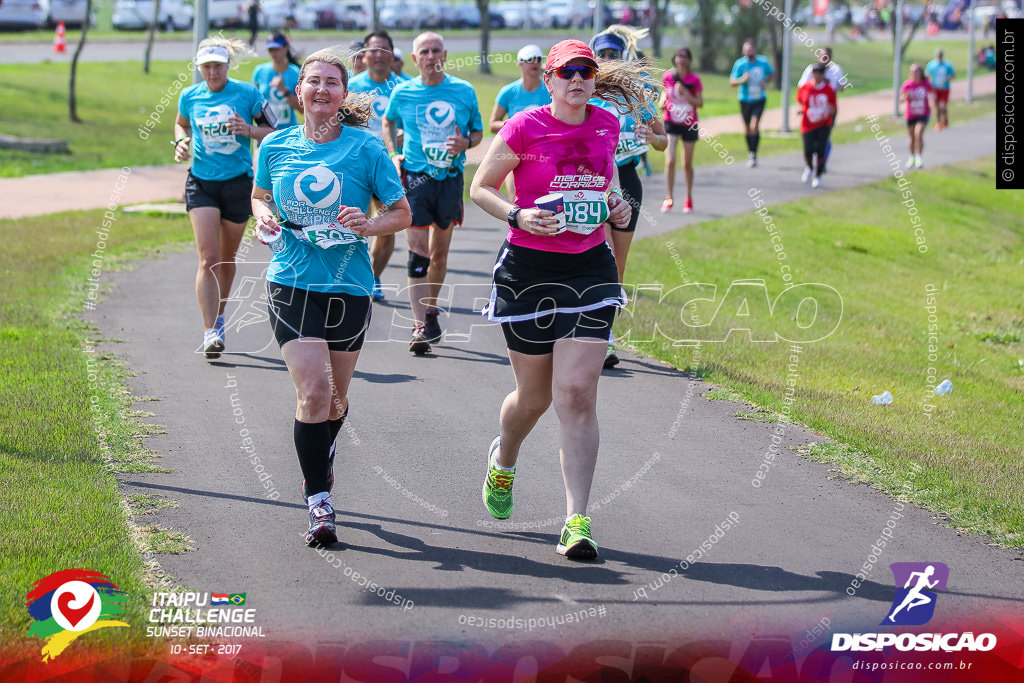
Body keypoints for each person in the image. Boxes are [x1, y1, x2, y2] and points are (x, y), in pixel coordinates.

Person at [470, 39, 653, 560]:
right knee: (534, 398)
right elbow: (480, 187)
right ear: (547, 80)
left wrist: (616, 205)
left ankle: (577, 521)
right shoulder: (524, 127)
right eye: (565, 72)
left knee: (575, 392)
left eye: (585, 71)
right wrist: (517, 215)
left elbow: (606, 179)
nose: (577, 79)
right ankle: (503, 459)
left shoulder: (605, 125)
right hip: (529, 269)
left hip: (589, 266)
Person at [251, 48, 412, 547]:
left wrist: (370, 223)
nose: (321, 90)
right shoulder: (275, 147)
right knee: (314, 393)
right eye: (312, 82)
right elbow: (260, 196)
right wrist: (262, 217)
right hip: (291, 280)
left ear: (344, 95)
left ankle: (319, 454)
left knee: (336, 400)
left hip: (348, 285)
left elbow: (401, 212)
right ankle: (319, 501)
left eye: (331, 83)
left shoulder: (366, 149)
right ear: (298, 91)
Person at [382, 31, 483, 355]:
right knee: (417, 252)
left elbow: (479, 131)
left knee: (439, 255)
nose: (430, 56)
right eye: (423, 51)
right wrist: (393, 153)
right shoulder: (404, 91)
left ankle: (430, 308)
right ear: (415, 59)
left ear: (445, 54)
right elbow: (387, 121)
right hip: (414, 180)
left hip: (449, 179)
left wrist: (466, 143)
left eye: (435, 50)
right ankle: (419, 324)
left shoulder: (463, 91)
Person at [174, 38, 274, 360]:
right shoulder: (190, 95)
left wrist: (248, 130)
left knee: (225, 260)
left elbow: (273, 131)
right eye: (207, 66)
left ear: (228, 65)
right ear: (199, 68)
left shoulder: (248, 94)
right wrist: (180, 142)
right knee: (207, 257)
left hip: (237, 184)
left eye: (218, 65)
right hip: (201, 183)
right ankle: (210, 331)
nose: (213, 72)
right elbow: (180, 124)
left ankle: (219, 316)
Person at [588, 27, 666, 368]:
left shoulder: (638, 96)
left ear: (622, 56)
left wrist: (652, 136)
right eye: (602, 53)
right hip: (595, 184)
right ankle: (599, 338)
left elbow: (663, 141)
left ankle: (605, 330)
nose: (607, 59)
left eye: (613, 53)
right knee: (601, 258)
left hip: (628, 180)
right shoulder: (584, 92)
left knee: (617, 267)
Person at [349, 30, 404, 303]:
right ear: (365, 55)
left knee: (385, 225)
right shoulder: (352, 86)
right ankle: (351, 275)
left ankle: (374, 276)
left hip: (388, 168)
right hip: (355, 167)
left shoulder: (404, 87)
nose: (378, 55)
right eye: (373, 49)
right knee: (352, 222)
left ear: (391, 55)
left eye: (384, 49)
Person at [489, 44, 551, 200]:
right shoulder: (508, 92)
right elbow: (493, 124)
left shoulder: (551, 90)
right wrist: (517, 125)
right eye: (529, 59)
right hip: (515, 154)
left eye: (538, 59)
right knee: (516, 202)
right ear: (520, 63)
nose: (535, 63)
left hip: (546, 153)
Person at [661, 46, 702, 214]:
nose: (681, 59)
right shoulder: (668, 77)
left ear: (689, 60)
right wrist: (662, 102)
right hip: (671, 122)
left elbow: (700, 103)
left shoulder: (694, 79)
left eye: (684, 56)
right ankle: (669, 197)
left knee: (687, 164)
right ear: (675, 59)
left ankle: (688, 198)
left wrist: (686, 94)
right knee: (670, 160)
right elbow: (664, 95)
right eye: (679, 56)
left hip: (689, 123)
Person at [729, 39, 774, 168]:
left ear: (755, 50)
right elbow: (732, 82)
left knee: (755, 125)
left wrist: (766, 82)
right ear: (743, 51)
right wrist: (742, 80)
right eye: (746, 50)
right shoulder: (740, 64)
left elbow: (771, 74)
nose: (749, 52)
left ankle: (754, 153)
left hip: (759, 99)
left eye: (751, 49)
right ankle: (751, 152)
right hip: (744, 99)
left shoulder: (763, 61)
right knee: (747, 128)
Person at [797, 46, 845, 163]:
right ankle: (811, 162)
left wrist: (835, 86)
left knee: (825, 137)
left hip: (828, 108)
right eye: (822, 56)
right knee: (810, 137)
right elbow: (802, 86)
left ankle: (822, 162)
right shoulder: (812, 69)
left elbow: (841, 86)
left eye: (827, 56)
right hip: (812, 108)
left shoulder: (836, 69)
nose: (825, 58)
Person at [796, 63, 836, 189]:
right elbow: (799, 100)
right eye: (815, 73)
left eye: (820, 73)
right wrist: (800, 109)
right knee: (808, 150)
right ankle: (809, 167)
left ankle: (818, 176)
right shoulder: (805, 87)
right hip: (808, 124)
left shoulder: (828, 89)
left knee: (820, 150)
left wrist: (830, 110)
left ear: (823, 75)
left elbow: (834, 107)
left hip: (823, 123)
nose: (817, 76)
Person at [251, 33, 301, 130]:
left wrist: (284, 91)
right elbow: (253, 103)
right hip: (266, 130)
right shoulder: (259, 71)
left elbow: (302, 109)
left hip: (289, 131)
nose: (273, 53)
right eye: (270, 50)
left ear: (286, 48)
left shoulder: (295, 72)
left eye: (276, 49)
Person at [900, 63, 932, 169]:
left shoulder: (925, 83)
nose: (914, 74)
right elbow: (901, 100)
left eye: (916, 71)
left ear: (920, 73)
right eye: (912, 72)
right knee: (912, 137)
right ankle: (911, 157)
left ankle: (919, 157)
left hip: (923, 113)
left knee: (918, 133)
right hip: (911, 114)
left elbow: (932, 92)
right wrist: (906, 96)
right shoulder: (907, 84)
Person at [925, 49, 955, 130]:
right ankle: (938, 123)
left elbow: (953, 75)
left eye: (941, 55)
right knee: (937, 107)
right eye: (938, 55)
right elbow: (927, 75)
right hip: (935, 89)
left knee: (943, 106)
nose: (939, 57)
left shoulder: (947, 65)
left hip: (945, 88)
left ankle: (945, 120)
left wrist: (948, 78)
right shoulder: (931, 64)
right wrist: (929, 85)